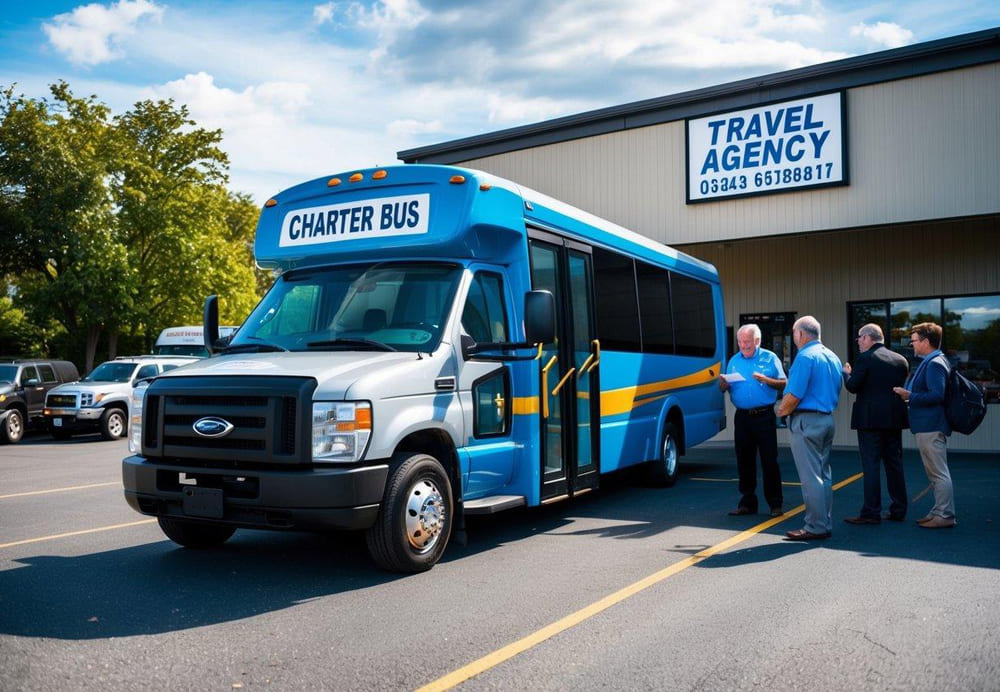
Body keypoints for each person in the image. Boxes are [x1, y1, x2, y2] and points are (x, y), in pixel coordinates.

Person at [777, 316, 843, 541]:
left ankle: (815, 526)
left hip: (806, 421)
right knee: (823, 474)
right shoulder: (832, 356)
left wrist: (781, 411)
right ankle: (823, 522)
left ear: (801, 334)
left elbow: (794, 394)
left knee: (810, 477)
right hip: (826, 419)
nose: (794, 338)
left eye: (794, 334)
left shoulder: (805, 357)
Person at [842, 323, 910, 524]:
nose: (859, 343)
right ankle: (899, 509)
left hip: (870, 420)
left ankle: (871, 512)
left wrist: (846, 372)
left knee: (871, 466)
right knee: (894, 464)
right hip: (893, 419)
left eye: (859, 339)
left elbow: (853, 386)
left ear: (867, 338)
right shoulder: (900, 360)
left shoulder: (866, 358)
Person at [718, 323, 787, 517]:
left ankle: (775, 504)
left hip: (764, 416)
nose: (743, 346)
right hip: (742, 417)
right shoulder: (734, 360)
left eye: (747, 342)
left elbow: (784, 384)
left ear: (757, 341)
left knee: (769, 460)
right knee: (744, 460)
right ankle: (747, 503)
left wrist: (766, 380)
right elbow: (723, 388)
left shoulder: (770, 358)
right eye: (740, 342)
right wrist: (723, 384)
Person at [893, 322, 956, 528]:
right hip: (927, 425)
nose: (911, 344)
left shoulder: (935, 363)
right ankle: (939, 511)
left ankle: (945, 515)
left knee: (938, 473)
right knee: (935, 473)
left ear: (926, 342)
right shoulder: (934, 361)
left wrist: (909, 395)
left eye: (914, 341)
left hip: (931, 425)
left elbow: (937, 395)